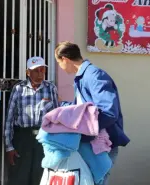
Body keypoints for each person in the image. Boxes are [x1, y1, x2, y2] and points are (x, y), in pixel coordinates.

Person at [55, 41, 130, 185]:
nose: (60, 66)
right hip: (91, 145)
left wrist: (83, 132)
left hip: (102, 146)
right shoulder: (83, 76)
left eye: (59, 62)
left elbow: (108, 112)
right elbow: (83, 108)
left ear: (65, 59)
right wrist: (60, 106)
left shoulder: (94, 75)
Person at [4, 56, 59, 185]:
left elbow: (57, 118)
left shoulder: (51, 89)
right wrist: (9, 147)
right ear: (28, 72)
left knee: (40, 176)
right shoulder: (18, 89)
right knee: (19, 177)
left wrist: (56, 144)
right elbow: (9, 119)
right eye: (36, 71)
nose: (40, 74)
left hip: (44, 138)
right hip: (22, 138)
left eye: (42, 70)